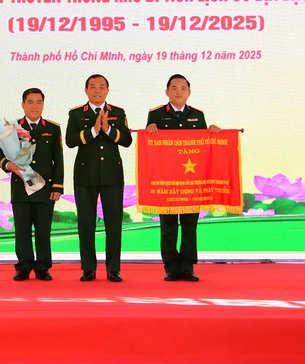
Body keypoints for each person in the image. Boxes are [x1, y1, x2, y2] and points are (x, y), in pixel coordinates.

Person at [146, 74, 220, 282]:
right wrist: (149, 130)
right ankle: (171, 267)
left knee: (189, 225)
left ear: (189, 92)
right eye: (174, 88)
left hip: (191, 182)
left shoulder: (197, 115)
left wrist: (213, 131)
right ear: (167, 92)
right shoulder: (156, 115)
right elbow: (150, 147)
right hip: (166, 180)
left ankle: (187, 267)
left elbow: (204, 146)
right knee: (168, 226)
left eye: (183, 88)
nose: (179, 92)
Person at [65, 74, 132, 282]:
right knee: (86, 223)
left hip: (112, 175)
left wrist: (108, 129)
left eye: (102, 87)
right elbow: (70, 141)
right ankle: (88, 268)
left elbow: (127, 140)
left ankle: (113, 269)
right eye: (93, 87)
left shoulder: (118, 113)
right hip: (85, 175)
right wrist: (93, 131)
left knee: (114, 223)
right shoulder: (76, 114)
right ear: (86, 90)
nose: (97, 90)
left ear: (107, 91)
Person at [0, 88, 64, 281]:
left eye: (39, 102)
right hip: (21, 187)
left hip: (44, 188)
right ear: (23, 104)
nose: (35, 106)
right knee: (22, 230)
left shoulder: (52, 128)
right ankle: (23, 267)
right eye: (30, 102)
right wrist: (7, 165)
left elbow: (58, 159)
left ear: (43, 104)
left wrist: (57, 187)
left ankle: (42, 267)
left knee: (43, 230)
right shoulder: (12, 128)